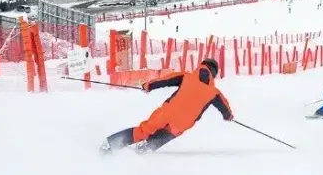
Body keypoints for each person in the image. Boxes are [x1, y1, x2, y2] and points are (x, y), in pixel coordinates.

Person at [100, 58, 233, 154]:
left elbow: (164, 80)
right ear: (214, 74)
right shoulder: (215, 93)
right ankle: (141, 152)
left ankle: (110, 145)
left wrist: (148, 86)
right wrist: (228, 116)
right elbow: (225, 109)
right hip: (182, 124)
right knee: (163, 137)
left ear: (201, 67)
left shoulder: (186, 76)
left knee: (144, 130)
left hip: (166, 113)